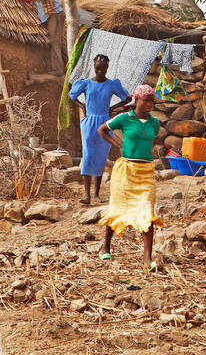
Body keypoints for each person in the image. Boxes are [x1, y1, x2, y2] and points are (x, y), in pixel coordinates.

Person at [97, 85, 163, 271]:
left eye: (152, 100)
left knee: (147, 211)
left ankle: (147, 258)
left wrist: (146, 149)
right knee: (117, 208)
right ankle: (105, 246)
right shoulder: (124, 118)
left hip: (146, 171)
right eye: (146, 100)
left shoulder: (154, 123)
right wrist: (117, 144)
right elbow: (102, 130)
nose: (150, 104)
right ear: (137, 100)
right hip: (126, 171)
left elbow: (154, 138)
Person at [69, 54, 130, 205]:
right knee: (88, 155)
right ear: (94, 67)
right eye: (98, 68)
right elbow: (72, 95)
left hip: (105, 123)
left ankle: (96, 194)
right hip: (89, 123)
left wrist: (112, 108)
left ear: (107, 67)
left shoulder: (111, 85)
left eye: (103, 68)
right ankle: (86, 195)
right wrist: (81, 105)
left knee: (101, 157)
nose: (100, 71)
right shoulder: (86, 83)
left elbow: (127, 99)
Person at [35, 0, 64, 72]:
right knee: (56, 41)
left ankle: (58, 70)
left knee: (55, 42)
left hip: (55, 14)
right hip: (52, 14)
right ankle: (59, 67)